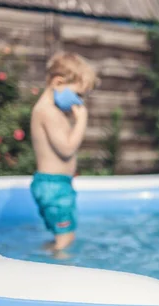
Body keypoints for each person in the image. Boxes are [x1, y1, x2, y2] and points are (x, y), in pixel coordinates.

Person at [29, 51, 98, 252]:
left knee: (62, 237)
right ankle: (57, 275)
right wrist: (82, 120)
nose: (79, 102)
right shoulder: (47, 112)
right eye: (78, 94)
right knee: (66, 239)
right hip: (54, 188)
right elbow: (67, 148)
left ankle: (41, 258)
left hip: (57, 186)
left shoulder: (53, 111)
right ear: (58, 83)